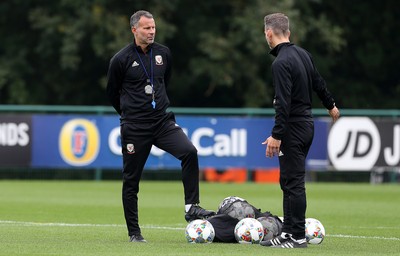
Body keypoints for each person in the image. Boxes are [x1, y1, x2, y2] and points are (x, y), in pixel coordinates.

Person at [106, 10, 215, 243]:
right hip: (135, 127)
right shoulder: (121, 59)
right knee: (131, 181)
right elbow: (112, 93)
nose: (151, 31)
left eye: (153, 27)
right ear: (134, 29)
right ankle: (134, 233)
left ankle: (191, 207)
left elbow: (166, 82)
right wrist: (129, 114)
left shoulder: (164, 53)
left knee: (189, 152)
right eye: (146, 28)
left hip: (162, 122)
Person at [260, 13, 340, 249]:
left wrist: (277, 135)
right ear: (289, 33)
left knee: (293, 182)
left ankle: (297, 237)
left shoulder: (281, 62)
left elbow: (283, 104)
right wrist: (331, 105)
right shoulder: (304, 55)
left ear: (268, 33)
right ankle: (287, 233)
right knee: (287, 180)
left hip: (293, 127)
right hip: (306, 125)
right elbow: (319, 84)